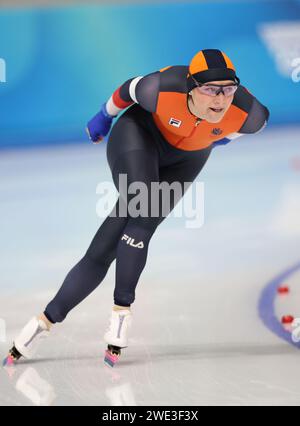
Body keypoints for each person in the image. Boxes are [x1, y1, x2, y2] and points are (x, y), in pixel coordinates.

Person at [4, 49, 269, 367]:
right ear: (190, 87)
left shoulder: (249, 113)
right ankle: (121, 312)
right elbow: (126, 89)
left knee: (114, 239)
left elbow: (240, 129)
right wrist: (105, 115)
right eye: (210, 89)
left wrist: (215, 137)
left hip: (187, 160)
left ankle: (44, 321)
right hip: (139, 136)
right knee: (142, 210)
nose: (221, 98)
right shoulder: (160, 88)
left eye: (228, 89)